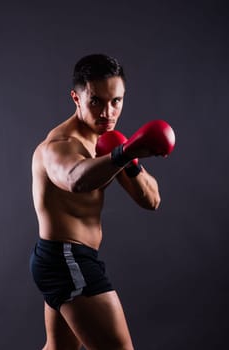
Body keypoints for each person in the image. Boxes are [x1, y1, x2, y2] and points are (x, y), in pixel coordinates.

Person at [30, 54, 174, 350]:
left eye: (116, 101)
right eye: (96, 101)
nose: (108, 112)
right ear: (76, 97)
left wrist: (129, 160)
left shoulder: (108, 142)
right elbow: (75, 179)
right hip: (67, 258)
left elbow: (152, 201)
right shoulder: (60, 145)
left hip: (64, 258)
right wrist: (122, 155)